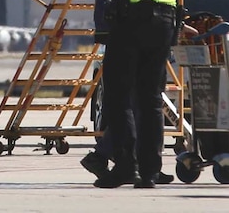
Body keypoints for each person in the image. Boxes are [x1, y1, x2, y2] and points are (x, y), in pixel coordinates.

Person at [30, 0, 184, 189]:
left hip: (134, 19)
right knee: (151, 98)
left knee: (116, 93)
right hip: (165, 21)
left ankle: (126, 165)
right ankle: (150, 171)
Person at [81, 22, 197, 185]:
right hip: (136, 36)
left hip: (148, 33)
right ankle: (106, 158)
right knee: (138, 109)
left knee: (140, 109)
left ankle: (127, 163)